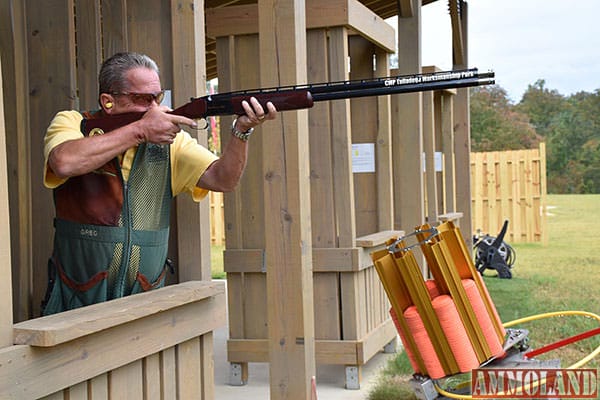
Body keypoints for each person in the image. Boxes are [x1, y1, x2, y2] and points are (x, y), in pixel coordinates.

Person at [42, 52, 276, 315]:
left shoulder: (169, 143)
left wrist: (241, 131)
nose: (155, 109)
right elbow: (64, 162)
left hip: (144, 302)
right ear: (108, 102)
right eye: (143, 99)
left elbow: (223, 179)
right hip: (76, 300)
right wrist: (140, 131)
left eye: (158, 98)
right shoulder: (73, 123)